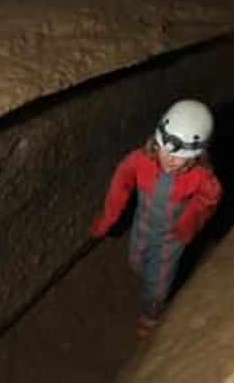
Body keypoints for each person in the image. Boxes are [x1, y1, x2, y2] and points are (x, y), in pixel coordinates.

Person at [89, 99, 223, 336]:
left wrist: (187, 226)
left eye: (179, 155)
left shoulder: (200, 177)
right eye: (165, 149)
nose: (170, 159)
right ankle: (149, 287)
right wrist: (107, 218)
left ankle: (151, 313)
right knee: (137, 262)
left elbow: (210, 196)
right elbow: (121, 180)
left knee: (158, 283)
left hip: (170, 238)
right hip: (143, 226)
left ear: (197, 155)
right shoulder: (140, 161)